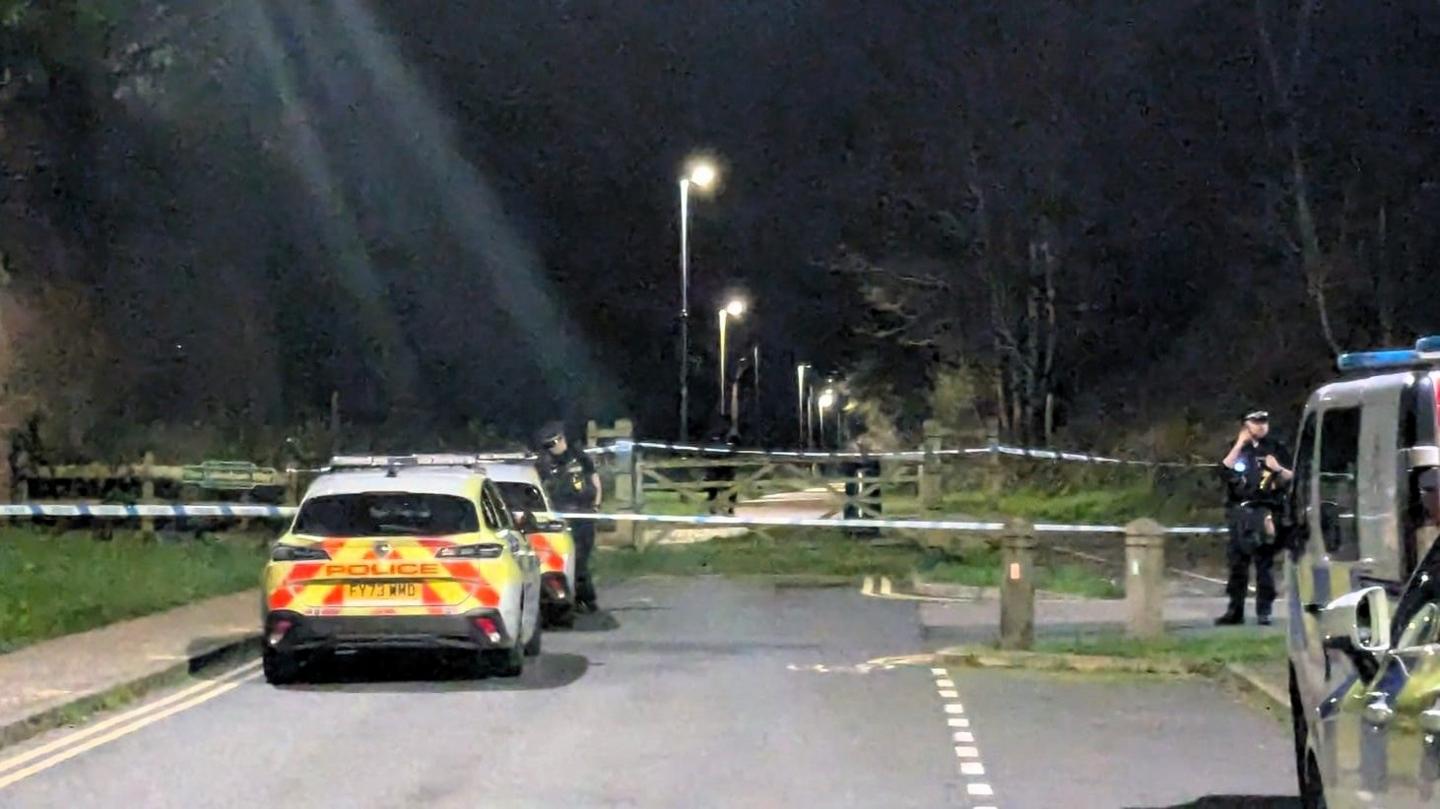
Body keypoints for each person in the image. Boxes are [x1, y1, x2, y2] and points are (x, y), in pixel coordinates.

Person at [1216, 410, 1293, 626]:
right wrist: (1239, 444)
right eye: (1256, 422)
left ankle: (1264, 611)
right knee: (1237, 563)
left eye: (1264, 422)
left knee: (1264, 562)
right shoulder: (1236, 447)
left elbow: (1293, 476)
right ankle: (1235, 610)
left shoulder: (1276, 447)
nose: (1261, 426)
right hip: (1240, 511)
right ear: (1245, 425)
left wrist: (1278, 468)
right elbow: (1223, 472)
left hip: (1267, 509)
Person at [534, 422, 601, 613]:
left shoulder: (579, 456)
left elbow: (594, 480)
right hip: (560, 519)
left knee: (580, 560)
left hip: (584, 515)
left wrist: (596, 505)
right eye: (548, 445)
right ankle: (577, 598)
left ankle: (586, 600)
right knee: (567, 561)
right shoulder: (544, 464)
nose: (554, 447)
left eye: (555, 442)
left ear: (562, 438)